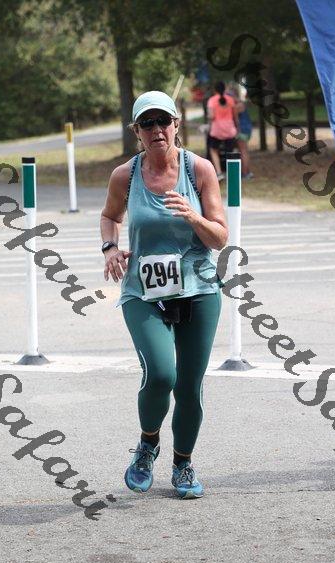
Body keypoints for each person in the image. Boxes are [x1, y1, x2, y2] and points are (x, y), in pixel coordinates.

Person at [100, 91, 228, 499]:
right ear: (136, 131)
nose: (156, 129)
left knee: (188, 386)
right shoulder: (125, 175)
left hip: (198, 287)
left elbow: (220, 238)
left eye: (163, 121)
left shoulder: (199, 169)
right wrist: (110, 248)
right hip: (144, 291)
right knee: (160, 374)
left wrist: (193, 216)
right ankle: (147, 444)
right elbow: (109, 216)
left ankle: (183, 464)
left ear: (176, 124)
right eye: (147, 123)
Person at [206, 81, 239, 180]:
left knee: (213, 150)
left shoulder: (212, 100)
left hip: (217, 130)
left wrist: (208, 117)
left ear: (215, 90)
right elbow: (235, 116)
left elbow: (211, 116)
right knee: (230, 151)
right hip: (229, 129)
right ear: (224, 89)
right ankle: (231, 173)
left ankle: (219, 172)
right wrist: (237, 127)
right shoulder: (230, 100)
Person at [227, 83, 253, 179]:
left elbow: (236, 120)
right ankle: (247, 171)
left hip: (241, 130)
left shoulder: (236, 106)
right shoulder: (242, 104)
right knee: (244, 150)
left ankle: (245, 173)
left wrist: (237, 131)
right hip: (247, 129)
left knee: (242, 151)